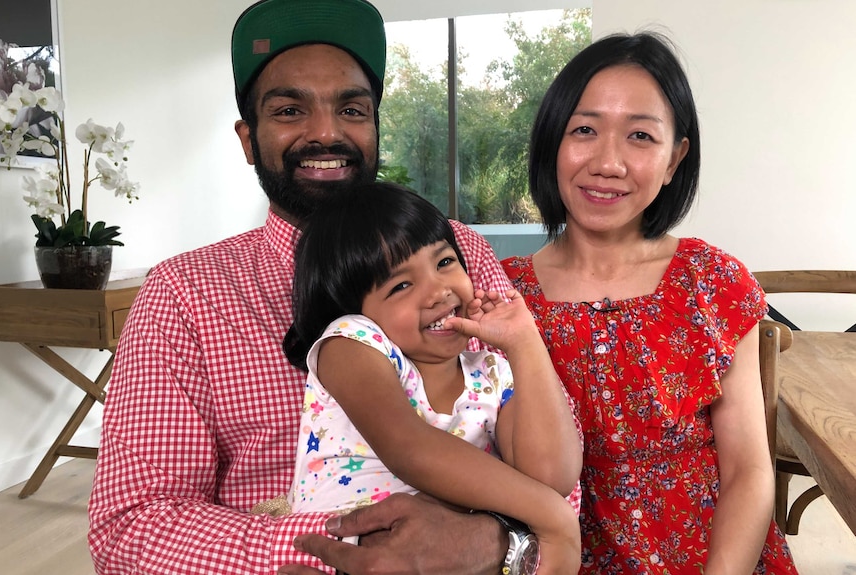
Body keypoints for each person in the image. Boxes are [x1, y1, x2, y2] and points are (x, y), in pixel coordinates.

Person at [87, 1, 581, 574]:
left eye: (351, 108)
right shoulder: (185, 292)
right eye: (290, 109)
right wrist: (356, 548)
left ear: (374, 128)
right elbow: (132, 530)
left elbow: (556, 465)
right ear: (248, 140)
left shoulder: (461, 253)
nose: (325, 132)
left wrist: (492, 544)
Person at [502, 32, 799, 574]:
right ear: (552, 143)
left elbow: (749, 472)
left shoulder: (713, 282)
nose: (608, 162)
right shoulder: (502, 299)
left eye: (640, 136)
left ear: (674, 159)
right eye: (585, 130)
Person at [250, 181, 582, 573]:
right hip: (348, 559)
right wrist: (551, 517)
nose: (438, 291)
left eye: (444, 262)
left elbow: (551, 474)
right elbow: (410, 449)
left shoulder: (491, 374)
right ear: (354, 307)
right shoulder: (352, 341)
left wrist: (526, 344)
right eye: (401, 285)